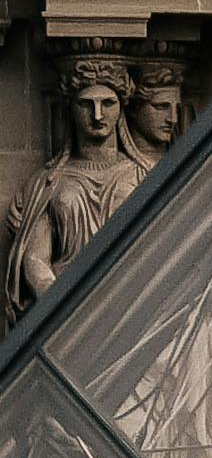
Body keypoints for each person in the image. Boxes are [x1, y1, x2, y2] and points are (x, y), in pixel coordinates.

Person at [4, 48, 147, 314]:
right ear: (70, 109)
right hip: (69, 309)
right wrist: (58, 303)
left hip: (131, 303)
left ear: (121, 107)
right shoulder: (47, 182)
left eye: (108, 103)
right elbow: (35, 258)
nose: (97, 115)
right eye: (85, 104)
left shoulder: (143, 176)